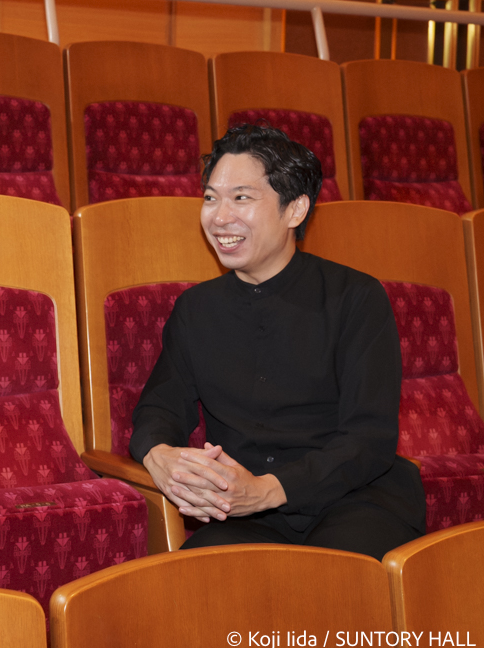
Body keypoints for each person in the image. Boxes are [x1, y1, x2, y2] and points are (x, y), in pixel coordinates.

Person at [130, 124, 426, 559]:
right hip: (246, 514)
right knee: (201, 583)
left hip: (357, 499)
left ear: (295, 210)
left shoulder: (356, 297)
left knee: (334, 581)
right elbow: (160, 408)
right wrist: (158, 455)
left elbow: (369, 438)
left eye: (241, 198)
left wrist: (268, 490)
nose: (219, 217)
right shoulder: (195, 309)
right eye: (211, 198)